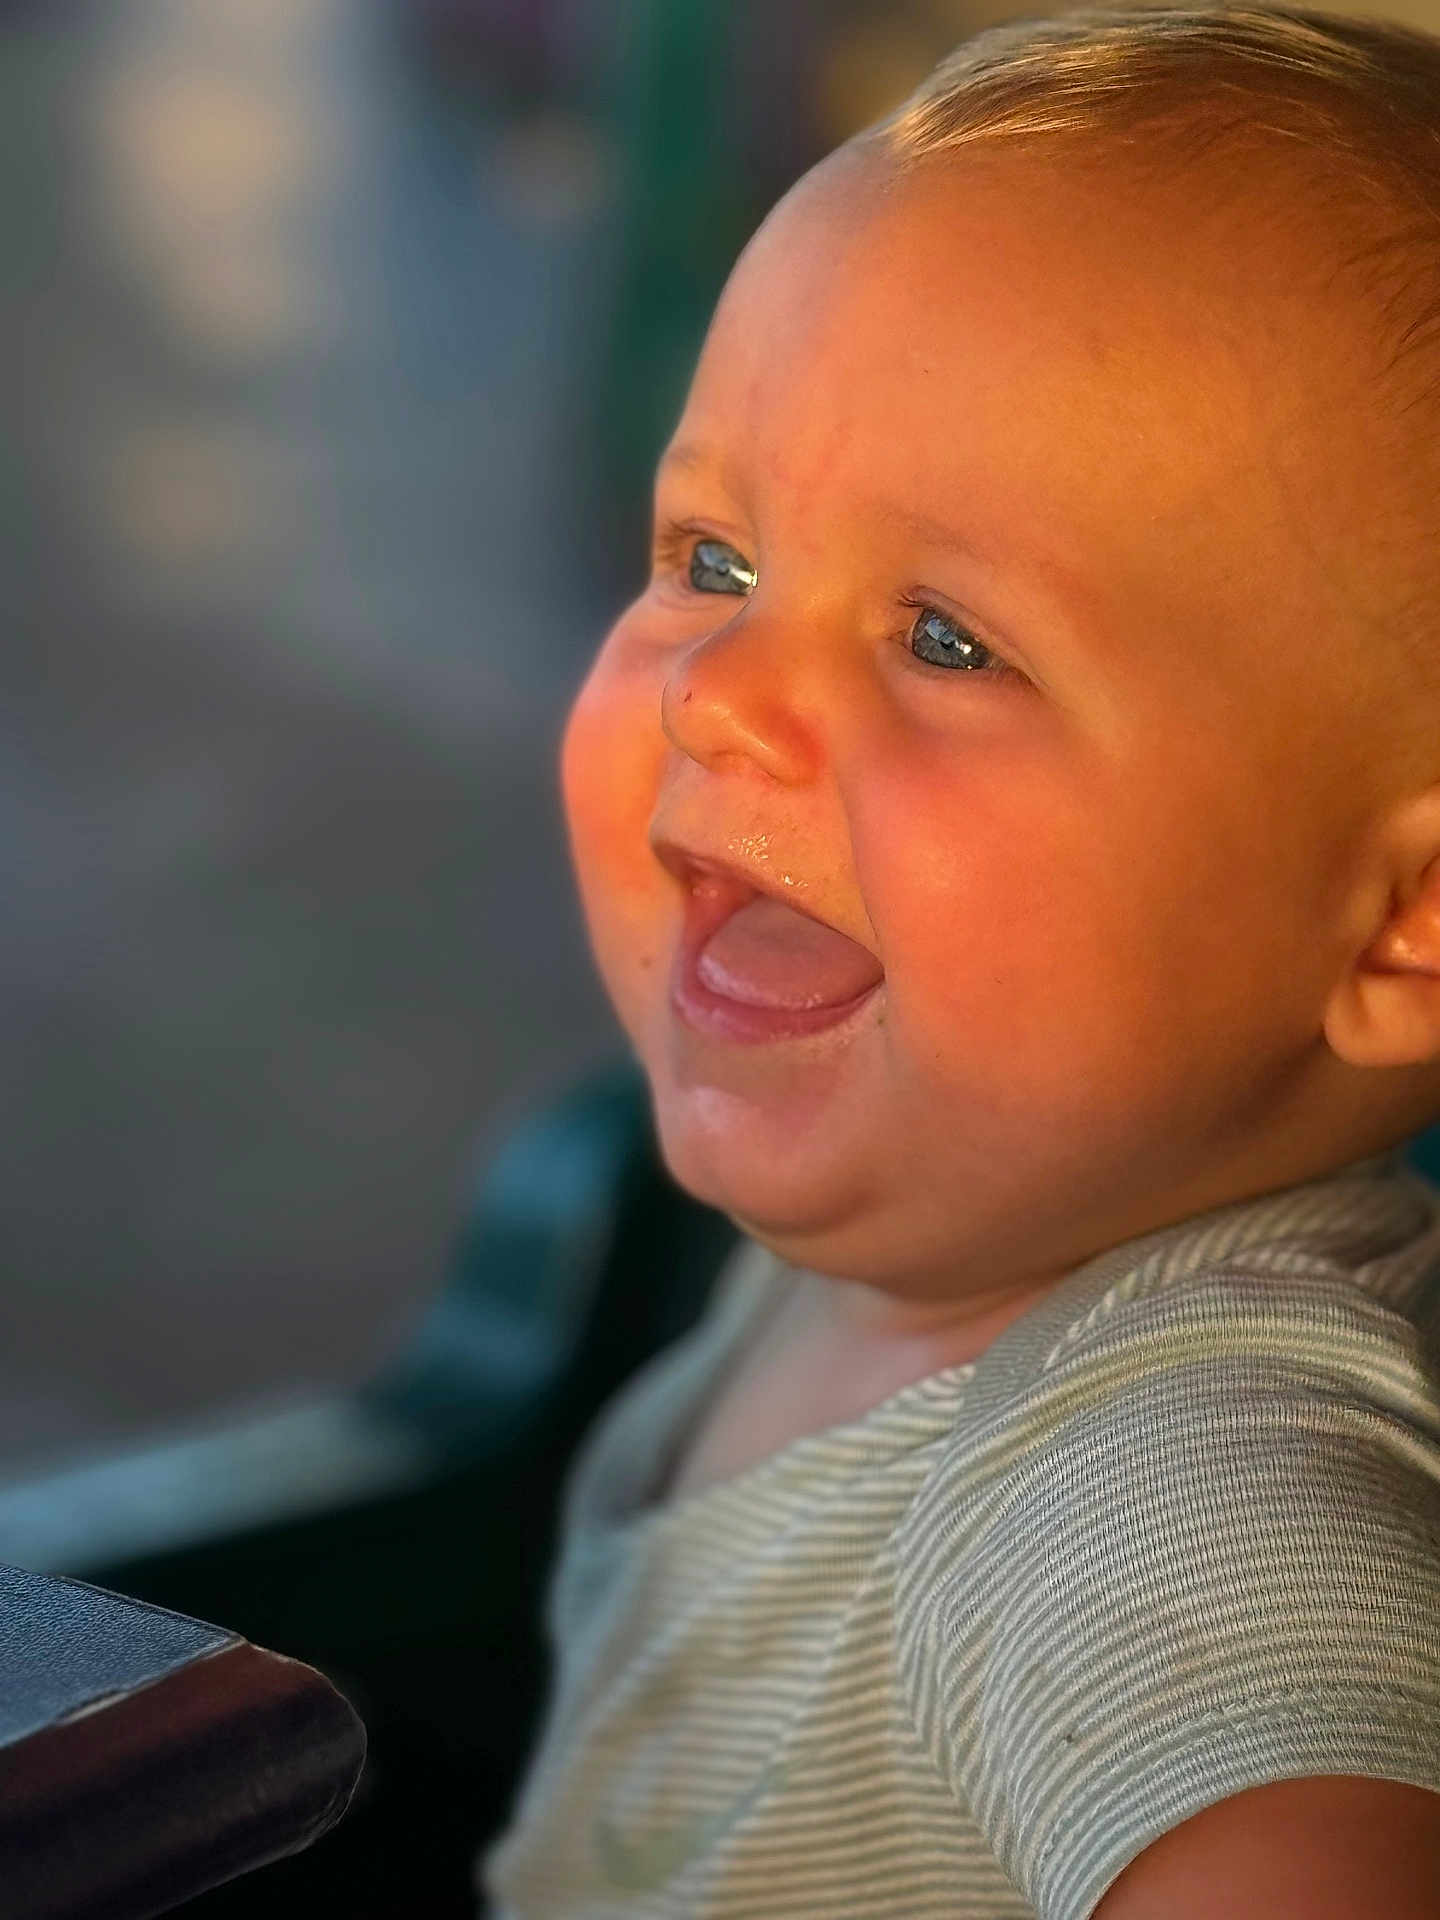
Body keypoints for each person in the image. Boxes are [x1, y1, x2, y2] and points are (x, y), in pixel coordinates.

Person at [482, 7, 1440, 1914]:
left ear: (1404, 925)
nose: (724, 696)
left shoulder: (1165, 1488)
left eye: (945, 640)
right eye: (717, 560)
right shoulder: (938, 1212)